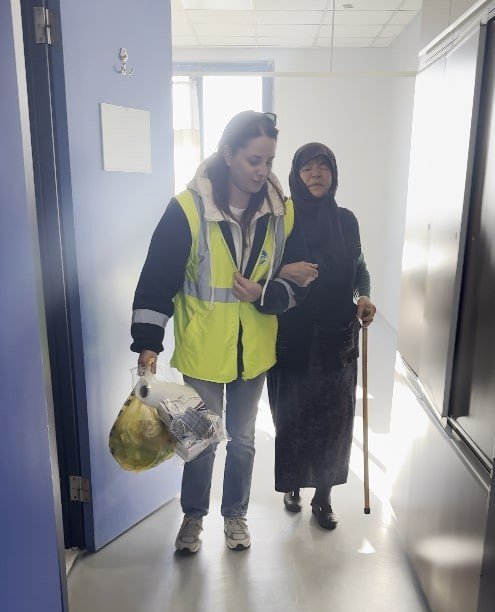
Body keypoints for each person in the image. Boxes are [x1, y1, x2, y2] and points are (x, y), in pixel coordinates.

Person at [130, 111, 315, 553]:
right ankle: (193, 518)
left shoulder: (281, 211)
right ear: (228, 154)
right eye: (254, 160)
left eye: (269, 161)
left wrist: (265, 293)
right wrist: (148, 346)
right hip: (202, 351)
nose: (263, 171)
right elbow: (156, 280)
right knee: (201, 441)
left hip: (253, 352)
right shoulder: (187, 209)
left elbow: (303, 278)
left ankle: (236, 516)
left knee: (245, 440)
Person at [268, 142, 376, 530]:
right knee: (290, 417)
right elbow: (265, 270)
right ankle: (293, 484)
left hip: (338, 338)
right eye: (307, 168)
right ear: (296, 175)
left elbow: (359, 268)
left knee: (335, 421)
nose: (316, 174)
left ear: (333, 174)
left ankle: (324, 498)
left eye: (324, 167)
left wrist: (363, 295)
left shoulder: (347, 221)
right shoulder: (283, 221)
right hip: (290, 338)